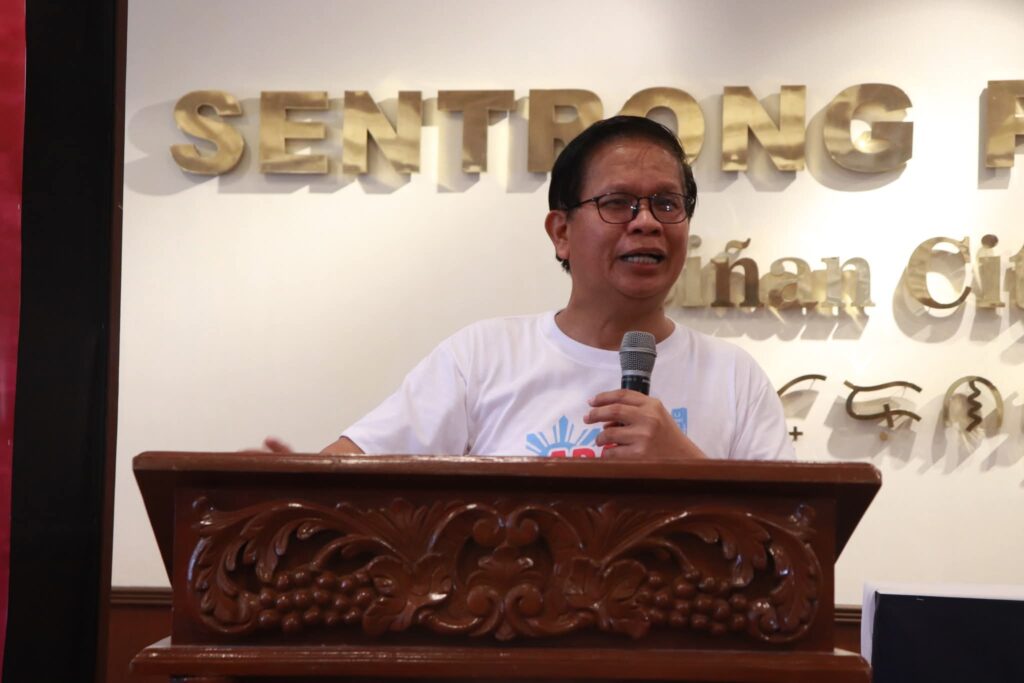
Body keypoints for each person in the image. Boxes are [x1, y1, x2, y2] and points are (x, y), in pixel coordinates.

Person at [270, 115, 792, 460]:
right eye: (618, 203)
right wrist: (277, 486)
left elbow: (796, 542)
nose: (647, 222)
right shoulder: (483, 357)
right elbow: (352, 472)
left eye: (667, 203)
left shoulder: (735, 379)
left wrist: (686, 466)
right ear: (561, 232)